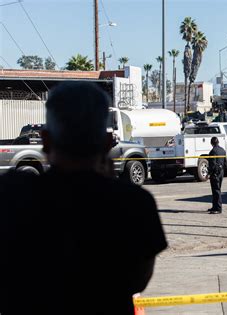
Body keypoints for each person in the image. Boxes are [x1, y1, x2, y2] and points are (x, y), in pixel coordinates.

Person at [0, 82, 167, 315]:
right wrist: (110, 188)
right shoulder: (134, 204)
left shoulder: (12, 195)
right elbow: (137, 280)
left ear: (45, 141)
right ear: (108, 144)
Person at [207, 136, 226, 214]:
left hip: (215, 173)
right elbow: (225, 163)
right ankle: (214, 206)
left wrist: (209, 173)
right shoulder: (223, 150)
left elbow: (212, 165)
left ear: (212, 143)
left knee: (216, 191)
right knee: (217, 190)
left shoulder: (212, 151)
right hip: (221, 172)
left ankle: (218, 208)